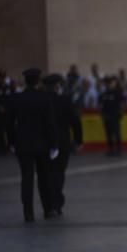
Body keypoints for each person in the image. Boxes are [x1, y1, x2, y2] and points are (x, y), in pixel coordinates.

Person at [6, 68, 58, 222]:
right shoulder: (45, 98)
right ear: (37, 81)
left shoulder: (17, 99)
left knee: (26, 179)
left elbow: (10, 124)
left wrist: (12, 142)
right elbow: (50, 124)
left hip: (23, 145)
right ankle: (48, 209)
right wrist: (54, 144)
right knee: (44, 178)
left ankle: (28, 213)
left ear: (26, 81)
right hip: (42, 145)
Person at [44, 74, 83, 215]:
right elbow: (75, 121)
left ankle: (48, 204)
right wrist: (78, 140)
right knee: (59, 173)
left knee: (47, 174)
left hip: (44, 143)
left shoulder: (42, 100)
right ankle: (56, 203)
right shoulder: (65, 101)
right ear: (57, 86)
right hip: (62, 142)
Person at [98, 76, 125, 156]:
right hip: (106, 116)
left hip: (115, 116)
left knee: (116, 133)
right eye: (107, 83)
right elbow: (100, 105)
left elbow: (122, 103)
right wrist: (102, 114)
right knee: (108, 134)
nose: (108, 85)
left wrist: (121, 113)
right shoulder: (103, 94)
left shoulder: (117, 93)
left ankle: (119, 149)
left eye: (109, 83)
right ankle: (111, 149)